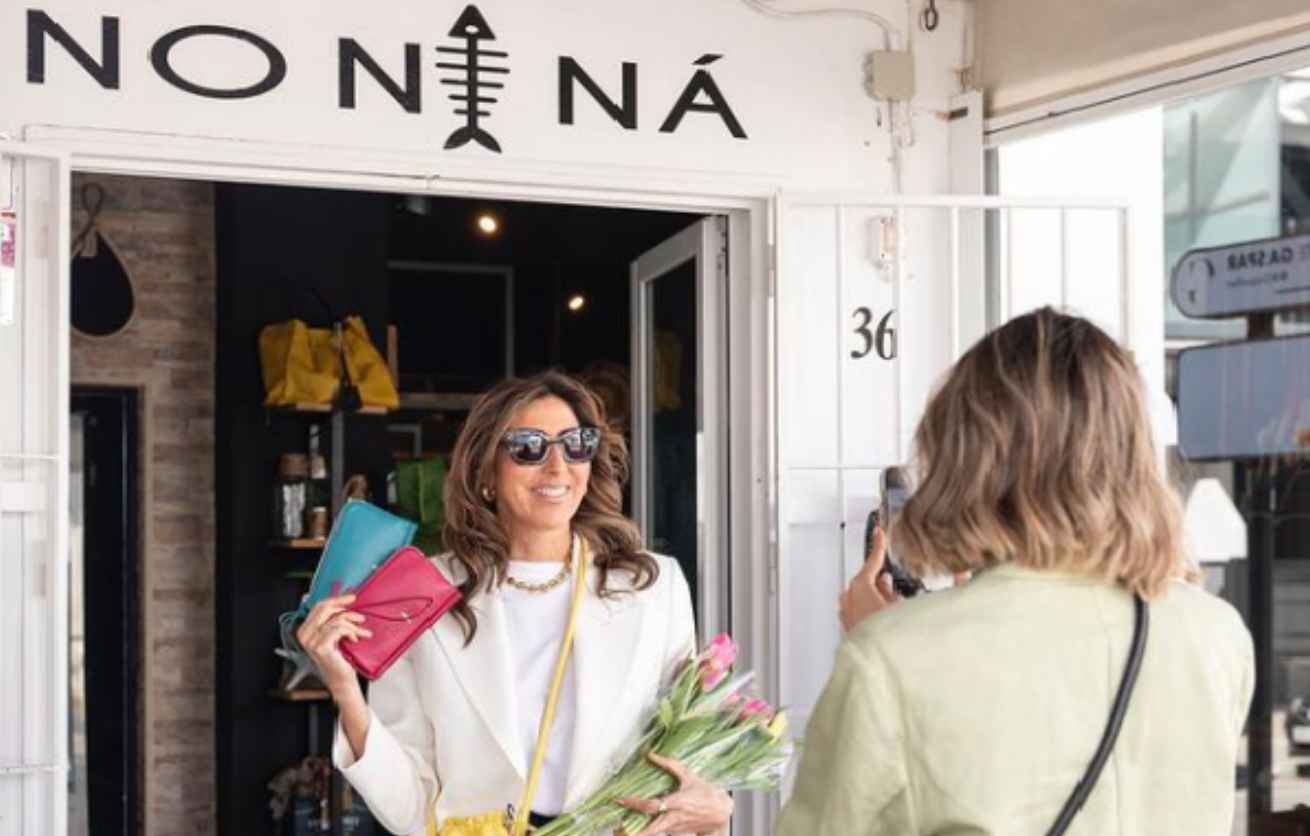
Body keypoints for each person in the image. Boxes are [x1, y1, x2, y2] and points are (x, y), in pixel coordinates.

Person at [777, 308, 1254, 836]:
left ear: (965, 453)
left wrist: (888, 640)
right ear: (1131, 454)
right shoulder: (1217, 634)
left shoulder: (892, 658)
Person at [296, 371, 733, 835]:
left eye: (576, 443)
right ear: (486, 473)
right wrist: (344, 689)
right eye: (529, 447)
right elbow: (411, 810)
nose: (557, 466)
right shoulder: (423, 593)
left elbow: (686, 759)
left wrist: (717, 806)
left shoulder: (653, 588)